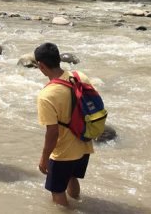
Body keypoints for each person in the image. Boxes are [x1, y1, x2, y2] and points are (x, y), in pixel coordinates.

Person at [33, 42, 95, 207]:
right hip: (84, 142)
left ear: (40, 66)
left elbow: (52, 132)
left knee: (57, 192)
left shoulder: (46, 95)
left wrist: (44, 158)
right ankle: (77, 204)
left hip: (63, 152)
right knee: (72, 177)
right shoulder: (79, 76)